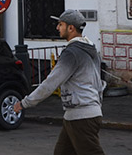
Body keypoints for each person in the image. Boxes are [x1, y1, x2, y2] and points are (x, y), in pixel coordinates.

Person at [13, 10, 105, 155]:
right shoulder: (91, 50)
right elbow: (98, 83)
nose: (57, 28)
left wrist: (25, 103)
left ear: (71, 28)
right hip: (79, 114)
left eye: (60, 24)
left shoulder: (72, 53)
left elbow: (50, 83)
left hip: (81, 116)